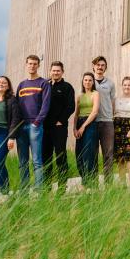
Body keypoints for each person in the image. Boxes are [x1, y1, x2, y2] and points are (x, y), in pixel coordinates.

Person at [11, 55, 51, 190]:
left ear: (38, 65)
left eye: (35, 64)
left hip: (35, 126)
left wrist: (36, 122)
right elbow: (16, 107)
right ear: (26, 65)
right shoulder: (21, 85)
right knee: (22, 162)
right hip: (21, 127)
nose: (32, 66)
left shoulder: (43, 83)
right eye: (30, 63)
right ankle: (24, 191)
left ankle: (39, 191)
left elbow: (45, 106)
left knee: (36, 161)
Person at [42, 61, 75, 191]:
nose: (55, 73)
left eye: (58, 71)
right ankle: (46, 186)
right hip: (45, 127)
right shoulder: (45, 85)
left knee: (60, 155)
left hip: (59, 127)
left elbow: (71, 106)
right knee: (46, 156)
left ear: (62, 72)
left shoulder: (67, 87)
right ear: (50, 71)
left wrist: (61, 120)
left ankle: (62, 186)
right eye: (53, 70)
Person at [92, 56, 116, 184]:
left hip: (107, 121)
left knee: (108, 153)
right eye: (97, 65)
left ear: (105, 67)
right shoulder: (89, 81)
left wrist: (111, 117)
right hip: (93, 122)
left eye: (102, 65)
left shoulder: (110, 83)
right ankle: (94, 182)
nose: (100, 67)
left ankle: (108, 183)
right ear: (93, 66)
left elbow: (112, 102)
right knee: (93, 153)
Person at [113, 76, 130, 186]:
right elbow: (112, 114)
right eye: (125, 85)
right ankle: (122, 181)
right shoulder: (116, 99)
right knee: (120, 156)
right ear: (122, 86)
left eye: (129, 85)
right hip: (117, 129)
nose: (127, 87)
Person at [74, 72, 101, 187]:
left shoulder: (95, 94)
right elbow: (76, 114)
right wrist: (75, 129)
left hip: (90, 124)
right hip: (79, 123)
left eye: (90, 80)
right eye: (85, 80)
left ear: (93, 82)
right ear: (82, 81)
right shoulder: (79, 96)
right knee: (79, 153)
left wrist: (83, 127)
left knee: (89, 153)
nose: (87, 82)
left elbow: (95, 112)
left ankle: (91, 182)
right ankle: (84, 180)